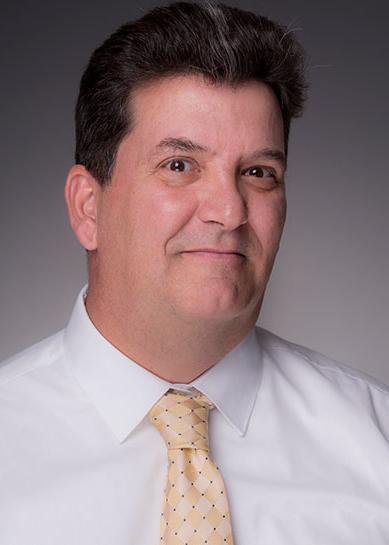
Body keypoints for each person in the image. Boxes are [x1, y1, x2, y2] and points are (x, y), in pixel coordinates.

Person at [1, 1, 388, 544]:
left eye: (258, 172)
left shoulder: (377, 443)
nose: (228, 211)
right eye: (179, 165)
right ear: (89, 207)